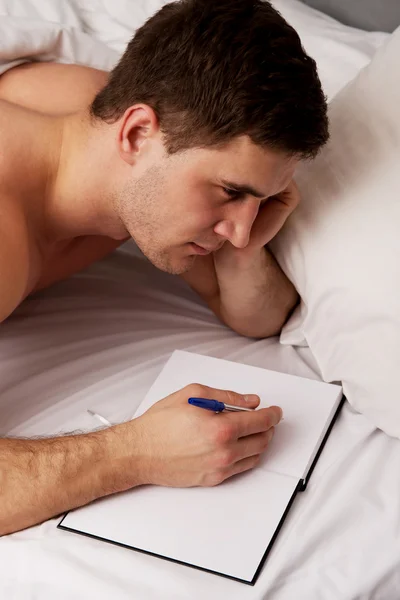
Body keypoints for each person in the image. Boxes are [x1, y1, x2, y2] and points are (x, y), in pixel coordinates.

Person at [0, 0, 328, 535]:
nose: (240, 228)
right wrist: (137, 450)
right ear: (135, 134)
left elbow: (252, 317)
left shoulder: (124, 144)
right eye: (230, 191)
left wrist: (243, 239)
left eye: (261, 201)